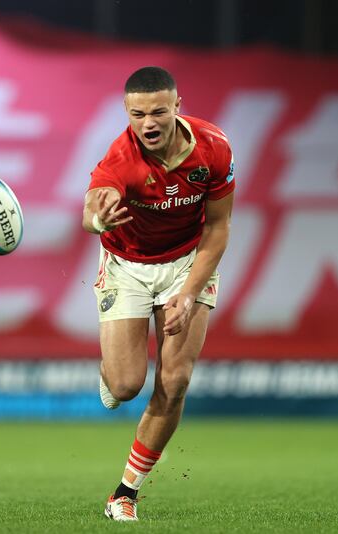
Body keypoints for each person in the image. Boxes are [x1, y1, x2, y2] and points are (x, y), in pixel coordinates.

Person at [83, 66, 234, 521]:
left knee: (175, 380)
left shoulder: (215, 148)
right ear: (127, 112)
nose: (148, 123)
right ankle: (111, 371)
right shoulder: (120, 160)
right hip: (128, 266)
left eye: (157, 112)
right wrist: (98, 220)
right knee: (127, 384)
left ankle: (125, 493)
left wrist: (188, 294)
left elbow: (220, 227)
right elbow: (93, 206)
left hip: (188, 262)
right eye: (137, 114)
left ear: (177, 108)